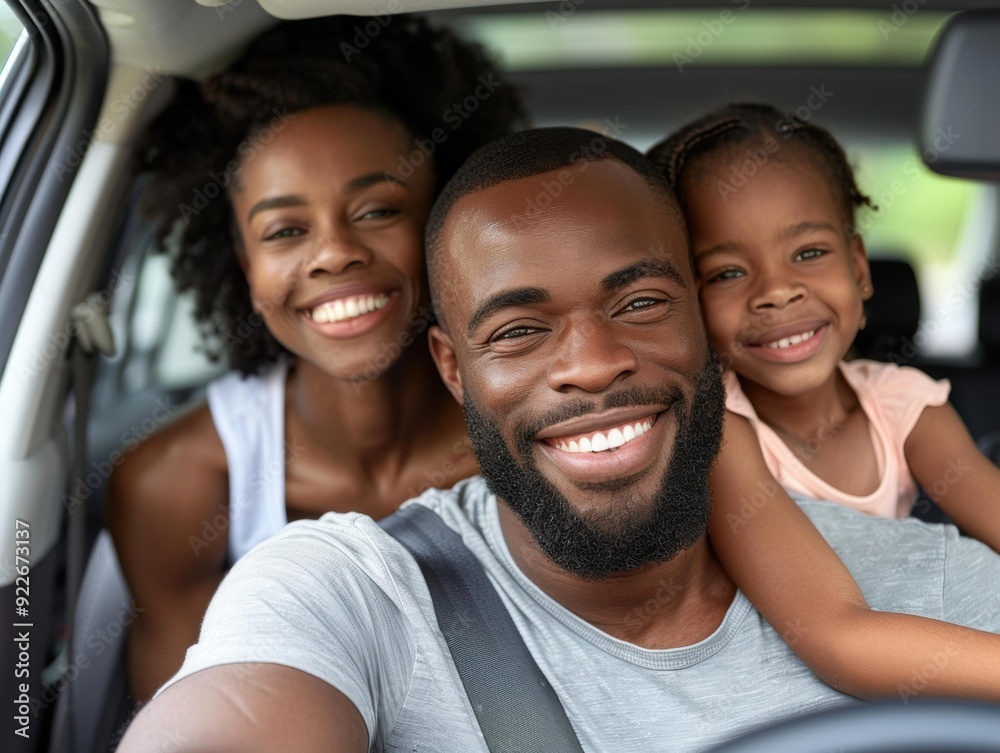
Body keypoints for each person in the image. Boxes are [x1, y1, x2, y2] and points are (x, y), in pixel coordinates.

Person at [118, 128, 1000, 753]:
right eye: (517, 330)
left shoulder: (941, 584)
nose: (592, 363)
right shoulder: (351, 594)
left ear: (703, 326)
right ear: (453, 366)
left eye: (641, 303)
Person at [108, 16, 526, 703]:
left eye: (377, 210)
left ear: (446, 223)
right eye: (286, 230)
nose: (333, 252)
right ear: (244, 263)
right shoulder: (173, 484)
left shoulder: (534, 430)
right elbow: (191, 725)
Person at [647, 103, 1000, 539]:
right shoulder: (716, 431)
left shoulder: (903, 407)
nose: (777, 291)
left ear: (860, 270)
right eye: (727, 273)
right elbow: (821, 607)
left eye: (809, 253)